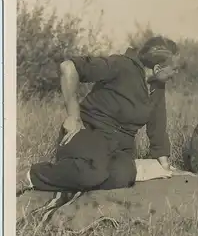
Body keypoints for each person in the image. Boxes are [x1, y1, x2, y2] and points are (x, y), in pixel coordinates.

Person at [23, 36, 182, 210]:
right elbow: (68, 67)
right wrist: (73, 116)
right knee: (93, 173)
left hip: (118, 148)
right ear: (158, 68)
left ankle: (73, 174)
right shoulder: (121, 65)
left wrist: (164, 166)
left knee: (124, 176)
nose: (176, 74)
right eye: (174, 69)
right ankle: (31, 175)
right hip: (88, 133)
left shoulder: (157, 85)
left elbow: (157, 123)